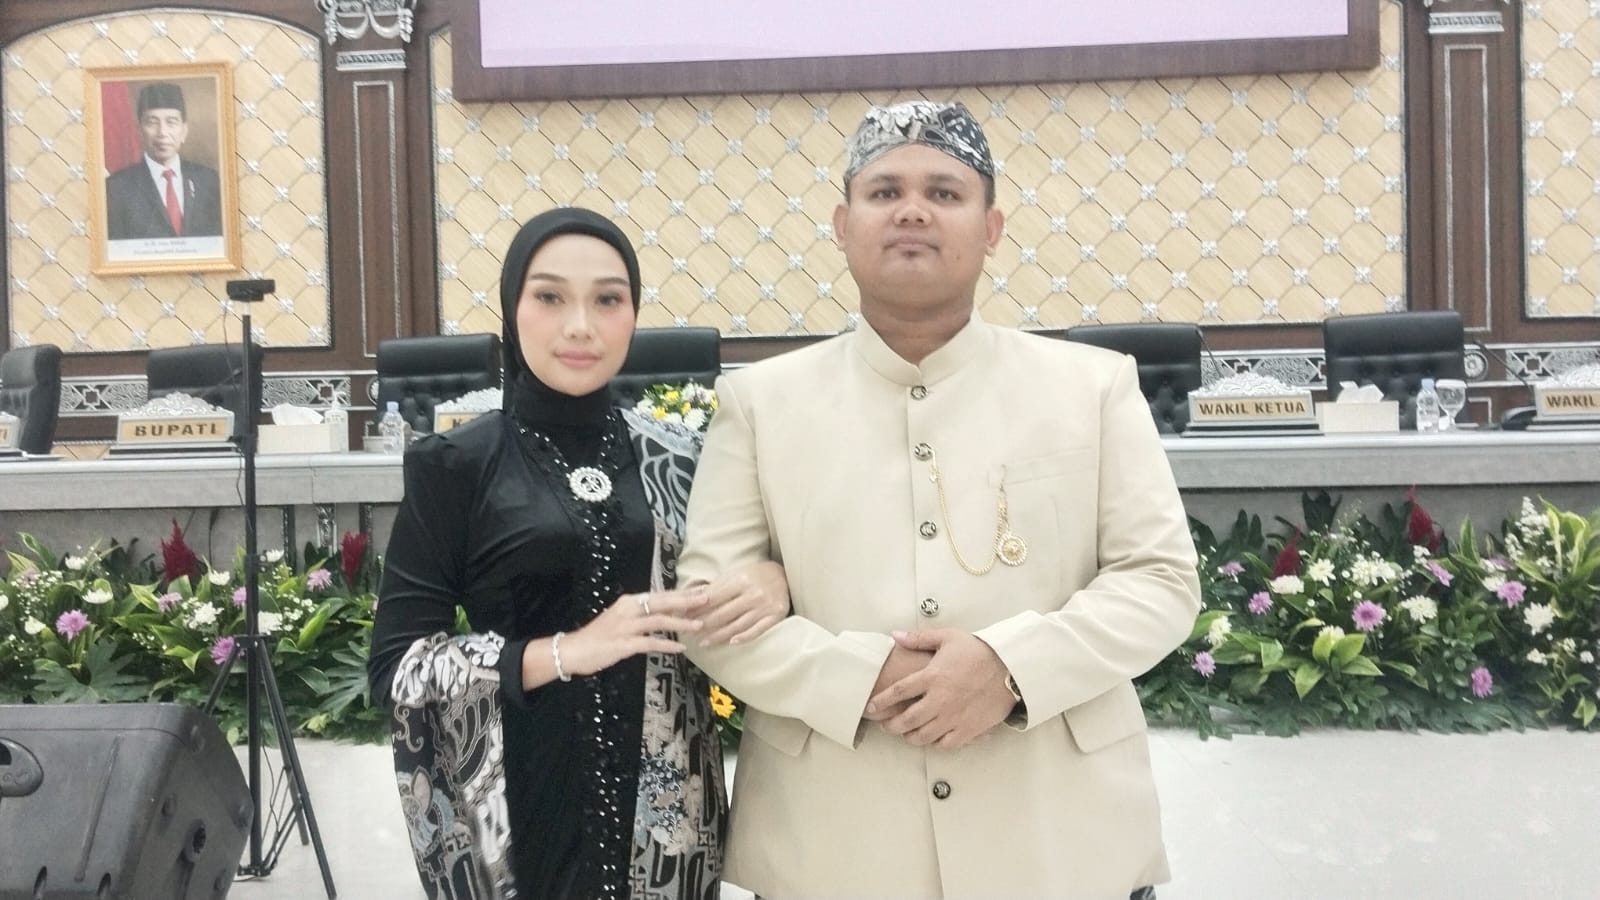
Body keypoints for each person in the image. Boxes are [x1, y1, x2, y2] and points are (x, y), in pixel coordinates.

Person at [678, 100, 1202, 899]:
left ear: (991, 229)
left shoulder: (1091, 388)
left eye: (944, 192)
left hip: (1060, 840)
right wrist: (860, 676)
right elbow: (709, 617)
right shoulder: (761, 403)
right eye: (884, 191)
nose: (913, 210)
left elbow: (1160, 583)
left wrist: (1009, 669)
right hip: (837, 849)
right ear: (842, 225)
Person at [368, 207, 789, 899]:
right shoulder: (456, 465)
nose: (581, 326)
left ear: (633, 313)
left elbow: (754, 571)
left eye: (608, 300)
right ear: (513, 309)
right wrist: (567, 651)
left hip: (669, 819)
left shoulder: (681, 458)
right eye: (550, 296)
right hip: (522, 803)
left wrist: (775, 577)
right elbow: (397, 669)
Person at [104, 82, 223, 239]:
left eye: (171, 122)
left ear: (184, 131)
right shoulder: (117, 187)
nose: (162, 133)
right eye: (152, 122)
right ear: (139, 130)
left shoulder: (209, 181)